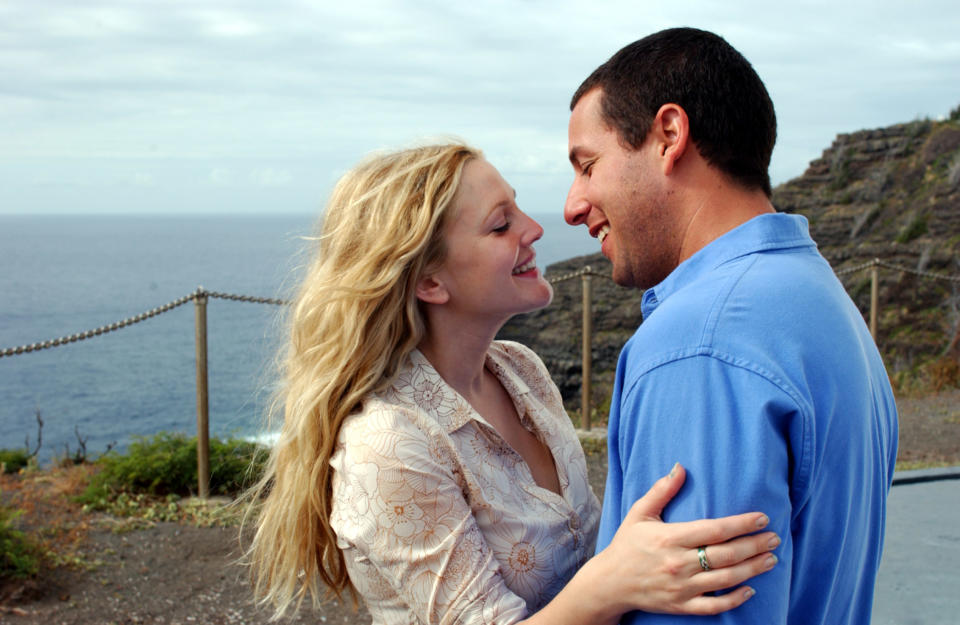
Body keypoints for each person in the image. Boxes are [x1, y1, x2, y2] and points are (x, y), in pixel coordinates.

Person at [244, 143, 780, 624]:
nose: (535, 228)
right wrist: (611, 582)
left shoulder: (521, 370)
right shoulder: (389, 445)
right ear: (430, 281)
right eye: (501, 225)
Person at [563, 28, 899, 624]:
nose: (572, 204)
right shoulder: (822, 300)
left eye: (589, 166)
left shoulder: (696, 347)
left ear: (669, 135)